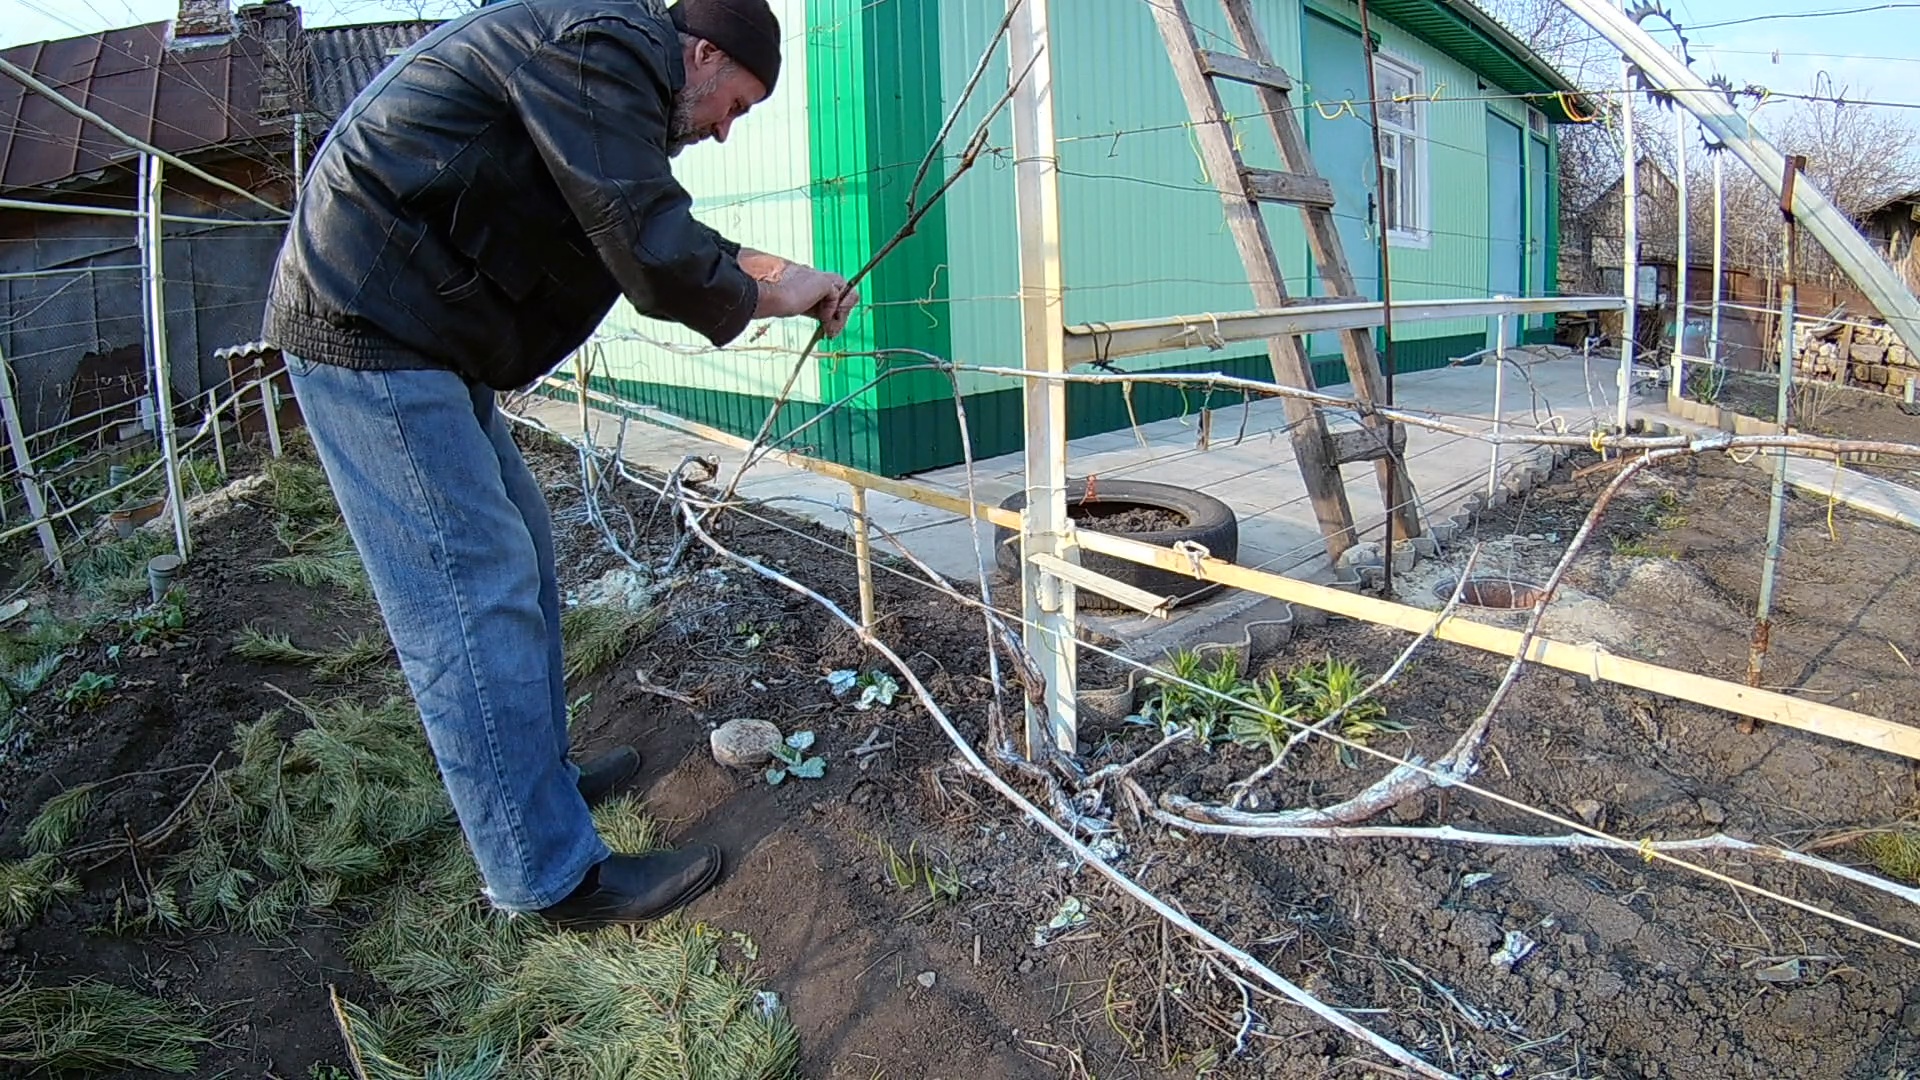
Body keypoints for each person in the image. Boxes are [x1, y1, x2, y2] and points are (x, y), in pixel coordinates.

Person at [258, 0, 856, 928]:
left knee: (522, 554)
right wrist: (769, 296)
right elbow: (653, 248)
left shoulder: (606, 74)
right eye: (733, 103)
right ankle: (546, 878)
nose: (727, 131)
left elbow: (638, 212)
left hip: (421, 332)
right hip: (372, 326)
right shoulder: (604, 52)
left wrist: (782, 274)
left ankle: (539, 778)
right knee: (471, 596)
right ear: (700, 54)